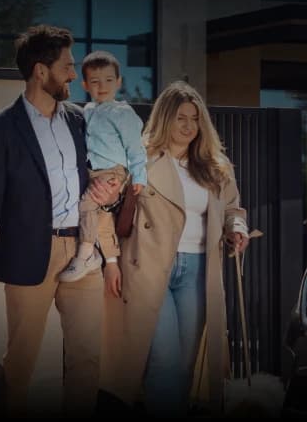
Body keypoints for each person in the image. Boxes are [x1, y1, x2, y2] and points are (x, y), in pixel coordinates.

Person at [0, 24, 122, 416]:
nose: (73, 75)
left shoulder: (81, 121)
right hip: (29, 255)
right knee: (21, 365)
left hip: (83, 254)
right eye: (66, 66)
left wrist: (111, 197)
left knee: (86, 361)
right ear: (40, 71)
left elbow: (101, 184)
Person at [99, 80, 251, 417]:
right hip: (150, 269)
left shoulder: (214, 166)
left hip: (198, 270)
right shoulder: (139, 159)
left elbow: (232, 208)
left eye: (194, 119)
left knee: (186, 363)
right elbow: (105, 208)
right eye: (181, 118)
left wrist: (236, 229)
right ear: (165, 118)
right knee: (164, 359)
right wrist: (111, 260)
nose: (188, 126)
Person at [57, 50, 148, 284]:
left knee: (87, 204)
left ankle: (85, 253)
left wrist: (138, 177)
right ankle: (108, 257)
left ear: (118, 82)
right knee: (102, 217)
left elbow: (136, 149)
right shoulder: (87, 110)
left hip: (112, 171)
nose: (102, 86)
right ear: (86, 85)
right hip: (92, 171)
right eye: (95, 82)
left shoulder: (123, 113)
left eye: (109, 80)